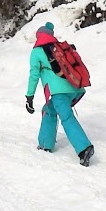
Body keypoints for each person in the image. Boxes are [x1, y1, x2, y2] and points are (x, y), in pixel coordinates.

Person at [25, 23, 95, 165]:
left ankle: (84, 148)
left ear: (39, 36)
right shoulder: (59, 47)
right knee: (49, 110)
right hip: (74, 88)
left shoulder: (37, 51)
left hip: (58, 92)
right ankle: (45, 144)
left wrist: (29, 96)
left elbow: (34, 75)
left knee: (66, 117)